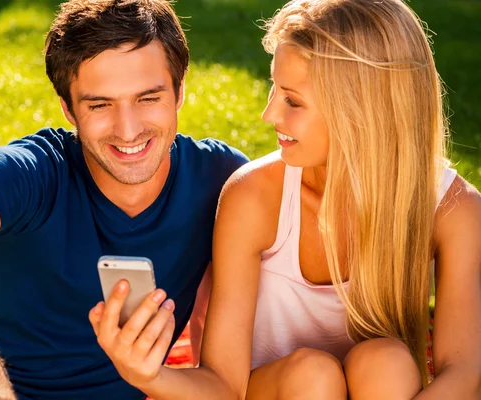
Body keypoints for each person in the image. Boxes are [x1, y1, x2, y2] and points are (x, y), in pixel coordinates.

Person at [89, 0, 481, 399]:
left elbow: (463, 373)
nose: (268, 113)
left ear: (362, 112)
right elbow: (223, 383)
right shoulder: (254, 196)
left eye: (292, 100)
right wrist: (145, 375)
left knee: (388, 361)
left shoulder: (454, 209)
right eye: (274, 87)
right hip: (277, 389)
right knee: (313, 375)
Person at [0, 0, 248, 399]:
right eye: (100, 105)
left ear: (179, 93)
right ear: (68, 109)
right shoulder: (33, 172)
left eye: (148, 98)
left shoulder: (221, 179)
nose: (128, 130)